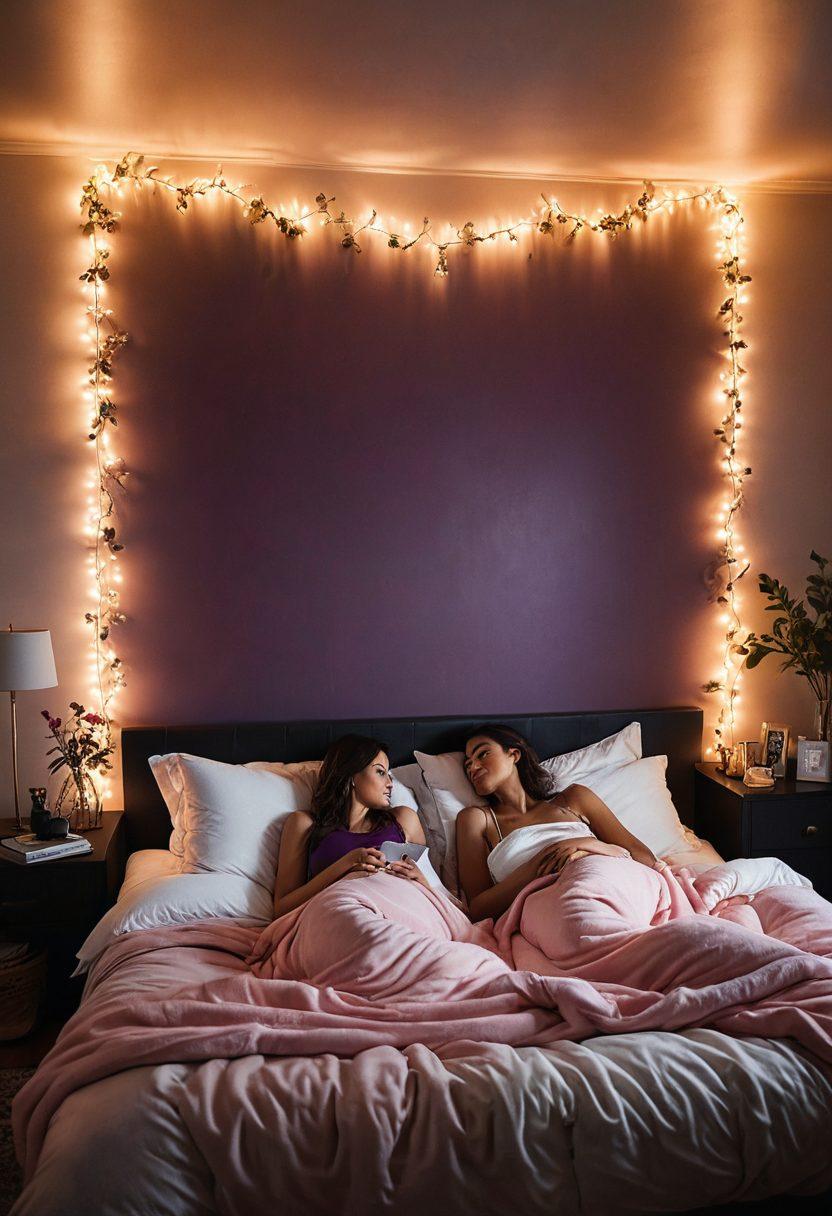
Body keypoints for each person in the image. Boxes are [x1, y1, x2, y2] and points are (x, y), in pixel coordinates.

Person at [455, 724, 667, 921]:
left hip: (614, 884)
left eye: (482, 754)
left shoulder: (575, 799)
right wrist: (542, 861)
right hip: (557, 909)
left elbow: (645, 859)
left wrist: (588, 844)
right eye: (467, 764)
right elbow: (478, 909)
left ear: (514, 754)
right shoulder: (476, 819)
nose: (472, 766)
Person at [273, 734, 430, 917]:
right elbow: (282, 909)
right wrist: (348, 863)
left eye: (389, 774)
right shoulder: (304, 824)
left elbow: (437, 891)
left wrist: (422, 881)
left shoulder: (404, 819)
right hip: (338, 915)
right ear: (353, 774)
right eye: (380, 772)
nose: (390, 783)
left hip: (402, 913)